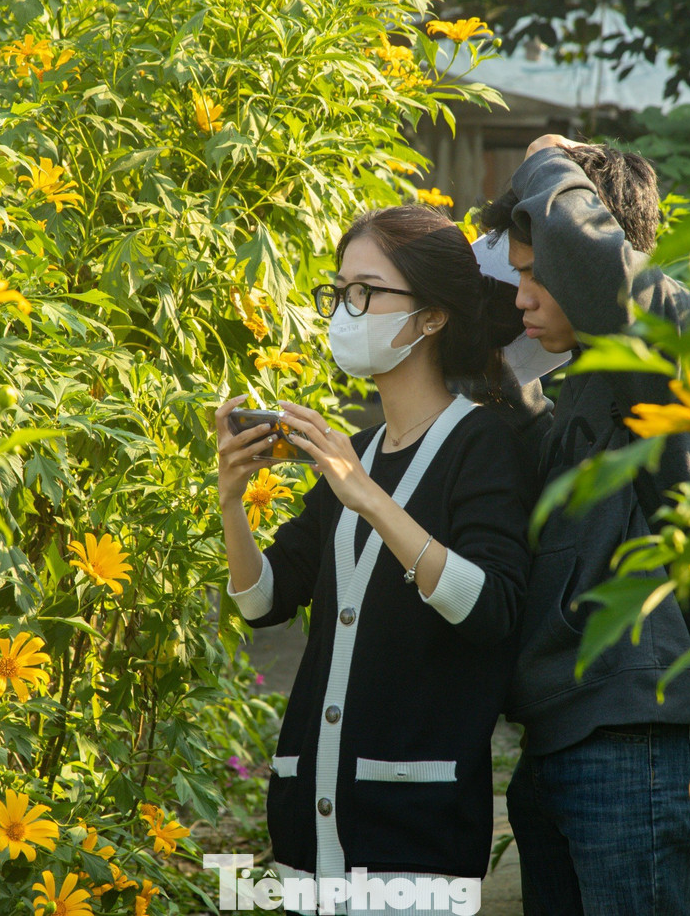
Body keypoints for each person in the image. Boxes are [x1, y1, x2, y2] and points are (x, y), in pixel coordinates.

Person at [214, 205, 533, 913]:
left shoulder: (483, 443)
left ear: (430, 318)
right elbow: (262, 602)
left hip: (417, 836)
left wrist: (365, 495)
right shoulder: (352, 453)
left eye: (365, 292)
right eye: (338, 292)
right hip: (305, 831)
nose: (344, 310)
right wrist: (232, 501)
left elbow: (490, 607)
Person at [480, 135, 690, 915]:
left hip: (641, 747)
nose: (521, 295)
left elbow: (594, 264)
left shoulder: (677, 338)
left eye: (536, 274)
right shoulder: (593, 380)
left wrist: (544, 160)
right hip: (566, 743)